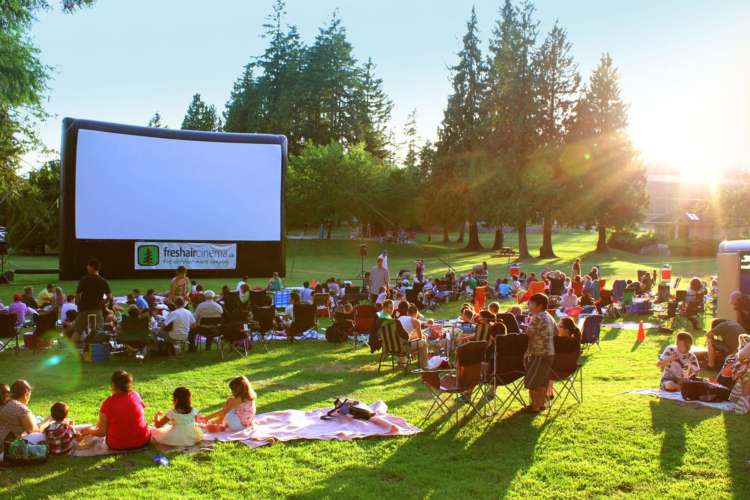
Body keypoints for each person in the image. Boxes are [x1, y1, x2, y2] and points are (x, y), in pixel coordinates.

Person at [79, 371, 150, 450]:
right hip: (144, 441)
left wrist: (89, 431)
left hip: (118, 445)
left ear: (113, 385)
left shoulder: (108, 403)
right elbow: (141, 409)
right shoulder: (135, 395)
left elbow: (102, 433)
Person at [523, 293, 557, 414]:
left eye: (531, 303)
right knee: (543, 380)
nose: (529, 305)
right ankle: (541, 404)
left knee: (532, 381)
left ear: (539, 305)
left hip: (539, 352)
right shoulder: (549, 316)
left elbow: (529, 333)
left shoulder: (537, 317)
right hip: (550, 352)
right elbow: (556, 332)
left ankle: (534, 406)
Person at [75, 258, 112, 336]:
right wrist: (104, 303)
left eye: (88, 266)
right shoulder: (102, 280)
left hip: (84, 310)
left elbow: (77, 295)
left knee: (78, 332)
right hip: (96, 309)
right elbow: (109, 296)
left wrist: (78, 304)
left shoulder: (84, 279)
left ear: (92, 267)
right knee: (98, 333)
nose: (87, 267)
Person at [396, 303, 428, 369]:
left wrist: (412, 337)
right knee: (423, 342)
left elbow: (403, 335)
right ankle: (423, 365)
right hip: (405, 347)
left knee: (417, 340)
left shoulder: (397, 319)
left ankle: (401, 363)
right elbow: (420, 338)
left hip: (395, 346)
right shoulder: (414, 321)